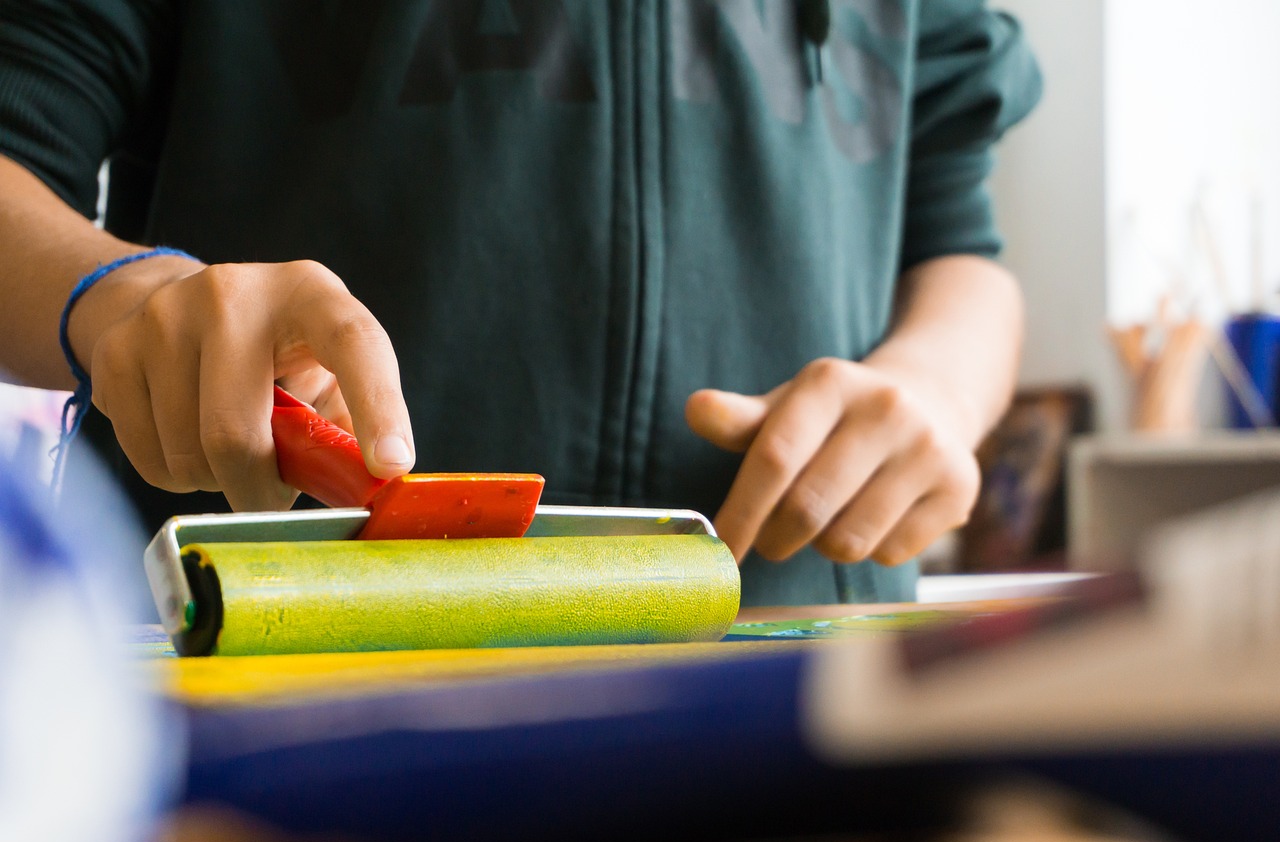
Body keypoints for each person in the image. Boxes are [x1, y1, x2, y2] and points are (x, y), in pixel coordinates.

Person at [0, 0, 1041, 605]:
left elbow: (954, 239)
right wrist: (114, 295)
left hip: (792, 697)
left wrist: (934, 390)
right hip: (279, 686)